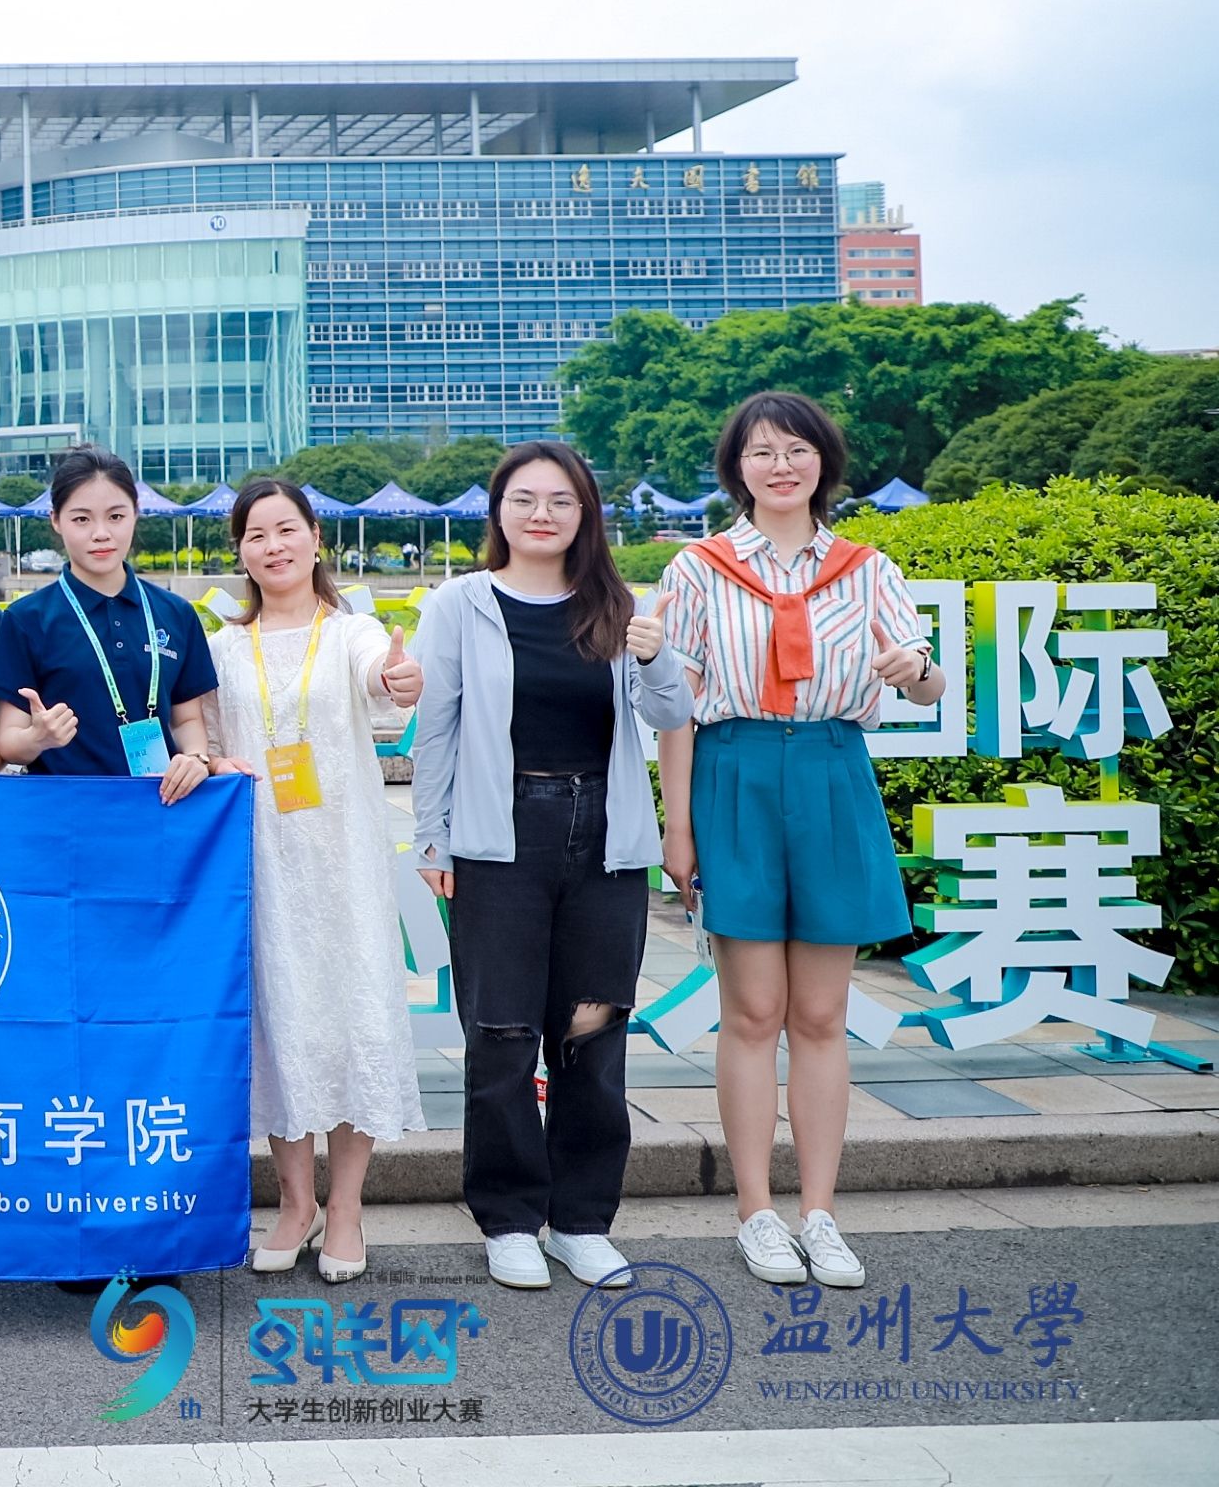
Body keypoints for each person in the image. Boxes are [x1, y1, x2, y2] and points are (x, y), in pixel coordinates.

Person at [654, 391, 942, 1293]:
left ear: (824, 462)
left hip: (831, 771)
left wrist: (916, 668)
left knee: (821, 1014)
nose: (781, 466)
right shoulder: (698, 570)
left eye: (797, 450)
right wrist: (677, 826)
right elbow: (675, 707)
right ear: (736, 468)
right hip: (734, 773)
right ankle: (757, 1212)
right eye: (762, 452)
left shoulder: (868, 569)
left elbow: (927, 684)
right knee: (751, 1011)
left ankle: (821, 1213)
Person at [409, 441, 694, 1294]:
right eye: (525, 499)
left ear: (585, 514)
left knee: (592, 1031)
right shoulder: (459, 604)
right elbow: (436, 727)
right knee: (500, 1034)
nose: (542, 514)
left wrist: (654, 654)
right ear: (498, 511)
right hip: (498, 836)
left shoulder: (618, 606)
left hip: (604, 836)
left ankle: (580, 1221)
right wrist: (432, 838)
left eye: (561, 501)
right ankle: (508, 1219)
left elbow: (671, 714)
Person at [205, 478, 425, 1285]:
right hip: (263, 867)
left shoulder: (352, 633)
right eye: (256, 534)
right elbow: (202, 735)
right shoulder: (224, 649)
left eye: (287, 529)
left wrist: (397, 678)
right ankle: (295, 1204)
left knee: (352, 1019)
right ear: (240, 552)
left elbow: (382, 676)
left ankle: (347, 1207)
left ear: (316, 539)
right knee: (282, 1028)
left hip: (344, 865)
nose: (274, 546)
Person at [0, 445, 227, 804]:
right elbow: (9, 740)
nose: (101, 533)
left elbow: (186, 720)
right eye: (82, 519)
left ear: (135, 514)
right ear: (56, 520)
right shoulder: (26, 619)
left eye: (115, 516)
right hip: (63, 814)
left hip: (160, 806)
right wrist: (38, 738)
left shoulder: (175, 613)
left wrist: (194, 757)